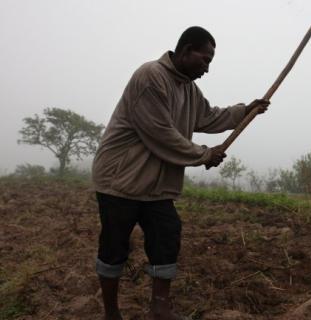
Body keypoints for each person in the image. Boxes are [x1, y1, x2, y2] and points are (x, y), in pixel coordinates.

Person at [91, 26, 269, 320]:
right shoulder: (150, 77)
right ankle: (111, 312)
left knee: (167, 236)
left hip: (156, 184)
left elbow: (209, 116)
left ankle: (160, 309)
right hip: (120, 180)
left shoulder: (188, 87)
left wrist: (244, 111)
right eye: (205, 59)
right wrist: (204, 154)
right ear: (186, 51)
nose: (207, 68)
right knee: (114, 246)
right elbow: (160, 133)